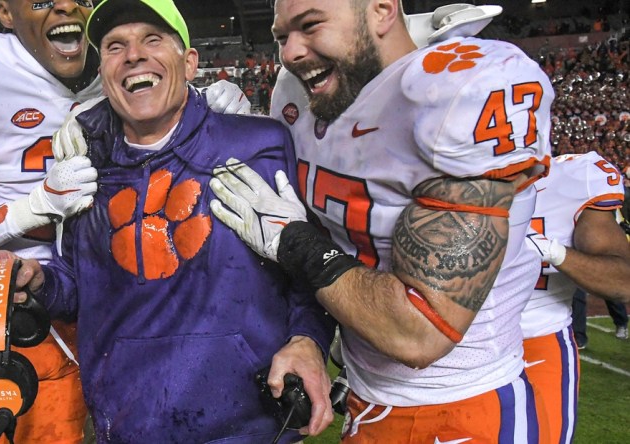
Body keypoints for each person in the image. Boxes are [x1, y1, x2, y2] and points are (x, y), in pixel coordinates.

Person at [0, 0, 336, 442]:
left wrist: (309, 341)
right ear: (104, 72)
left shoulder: (259, 144)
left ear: (189, 62)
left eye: (152, 39)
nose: (133, 54)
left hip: (254, 426)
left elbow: (311, 269)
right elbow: (80, 287)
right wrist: (40, 283)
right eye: (115, 46)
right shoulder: (84, 166)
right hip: (129, 424)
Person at [0, 0, 250, 442]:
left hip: (108, 305)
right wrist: (35, 205)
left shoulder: (117, 67)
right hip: (1, 314)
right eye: (43, 0)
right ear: (6, 13)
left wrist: (211, 114)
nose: (65, 5)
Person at [209, 0, 553, 442]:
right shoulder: (299, 92)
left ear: (382, 10)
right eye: (281, 36)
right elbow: (311, 220)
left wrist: (294, 242)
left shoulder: (456, 92)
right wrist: (241, 131)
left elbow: (419, 333)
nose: (290, 52)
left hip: (463, 407)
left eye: (310, 25)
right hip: (363, 396)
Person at [523, 152, 630, 443]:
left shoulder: (576, 178)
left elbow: (623, 280)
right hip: (451, 342)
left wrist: (553, 252)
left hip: (536, 340)